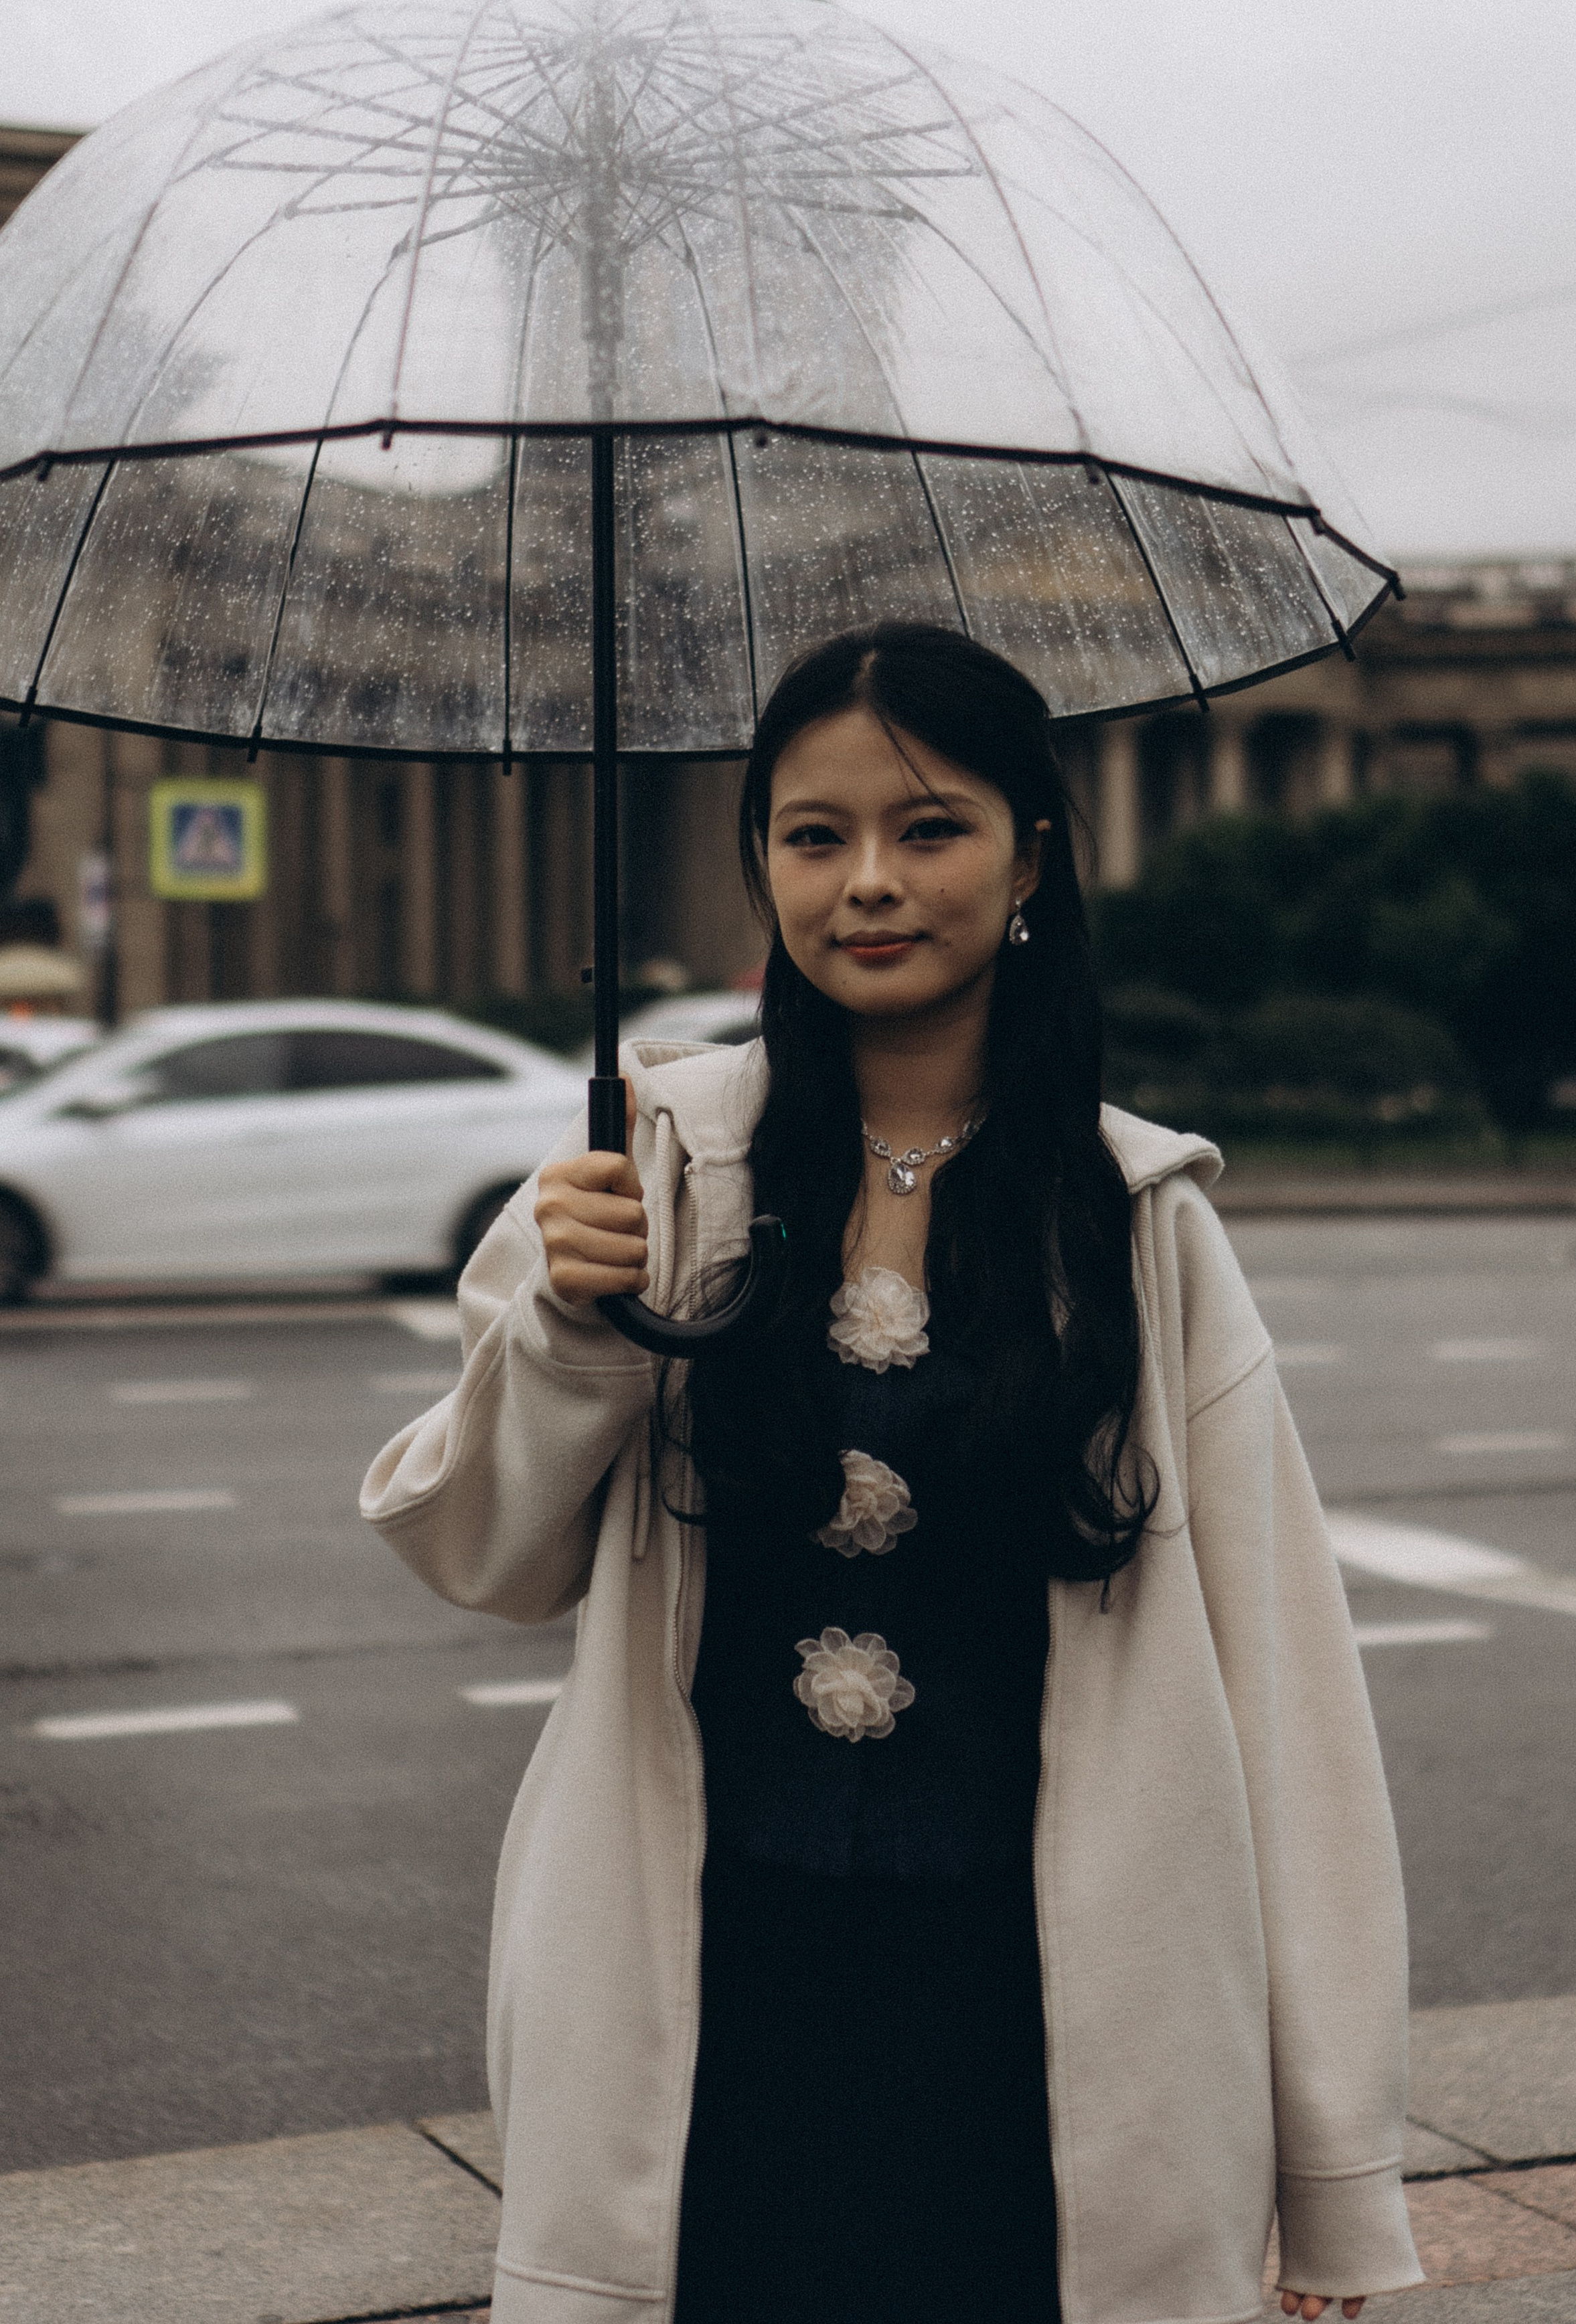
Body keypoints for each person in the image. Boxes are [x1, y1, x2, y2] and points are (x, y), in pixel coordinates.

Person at [363, 623, 1424, 2324]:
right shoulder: (649, 1167)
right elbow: (483, 1555)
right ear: (760, 863)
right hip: (707, 1998)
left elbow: (1284, 1704)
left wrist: (1332, 2178)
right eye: (810, 834)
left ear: (1031, 858)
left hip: (1052, 2015)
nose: (866, 881)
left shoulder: (1138, 1221)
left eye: (927, 828)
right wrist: (570, 1325)